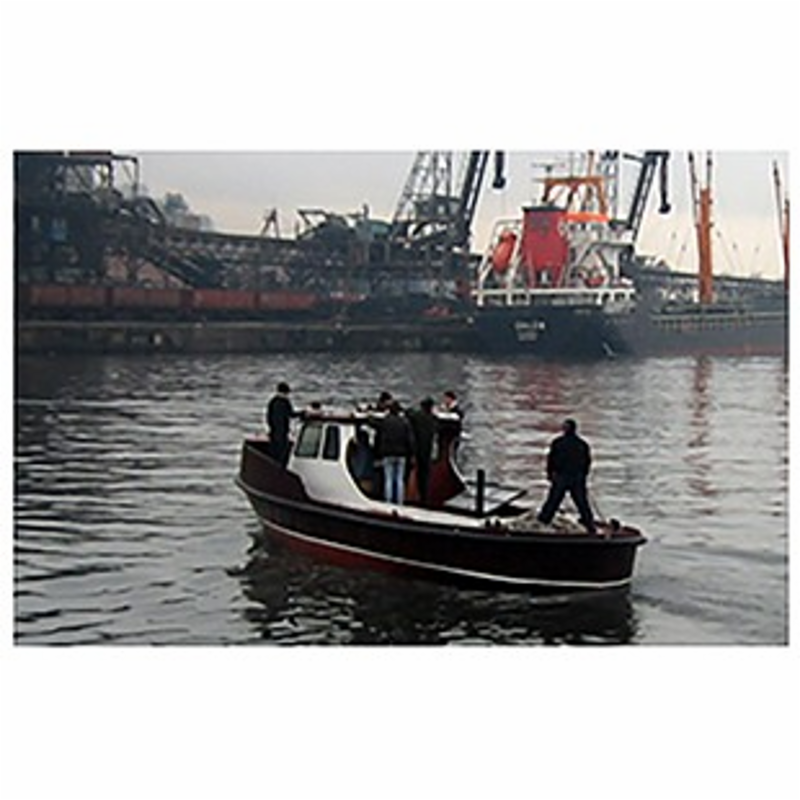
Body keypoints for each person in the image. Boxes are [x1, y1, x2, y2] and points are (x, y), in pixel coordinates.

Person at [537, 418, 596, 533]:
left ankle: (543, 521)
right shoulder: (582, 444)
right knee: (582, 503)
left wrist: (549, 474)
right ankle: (589, 525)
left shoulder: (558, 443)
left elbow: (551, 460)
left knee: (553, 501)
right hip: (577, 478)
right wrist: (583, 476)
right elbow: (587, 462)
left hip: (561, 477)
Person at [374, 400, 415, 505]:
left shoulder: (385, 421)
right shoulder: (405, 422)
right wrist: (411, 453)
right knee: (399, 479)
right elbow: (410, 439)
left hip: (388, 453)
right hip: (401, 454)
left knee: (388, 478)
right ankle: (399, 501)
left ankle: (388, 501)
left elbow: (376, 428)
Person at [407, 397, 438, 506]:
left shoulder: (417, 416)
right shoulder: (433, 419)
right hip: (428, 450)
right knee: (425, 475)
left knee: (414, 473)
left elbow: (409, 414)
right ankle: (424, 498)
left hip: (417, 449)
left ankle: (412, 496)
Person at [265, 381, 298, 467]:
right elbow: (291, 414)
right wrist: (303, 413)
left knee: (274, 452)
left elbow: (268, 417)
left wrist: (271, 427)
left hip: (274, 431)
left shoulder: (273, 402)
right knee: (282, 453)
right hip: (282, 432)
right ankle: (281, 468)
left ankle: (273, 468)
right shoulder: (285, 402)